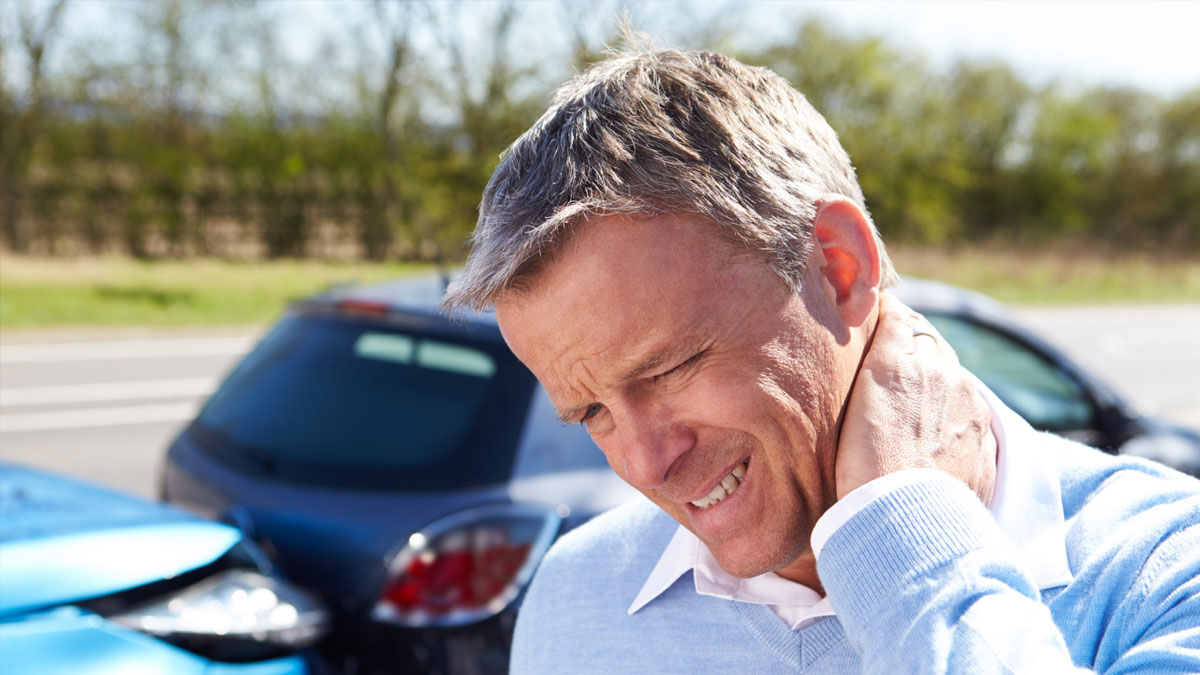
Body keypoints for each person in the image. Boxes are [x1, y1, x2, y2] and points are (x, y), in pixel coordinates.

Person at [442, 47, 1200, 673]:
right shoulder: (578, 594)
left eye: (668, 368)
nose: (644, 465)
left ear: (839, 267)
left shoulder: (1168, 573)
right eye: (595, 413)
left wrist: (909, 542)